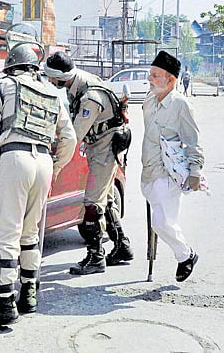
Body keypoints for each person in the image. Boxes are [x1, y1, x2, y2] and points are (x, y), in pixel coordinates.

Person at [0, 44, 77, 329]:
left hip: (14, 158)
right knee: (31, 232)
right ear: (35, 68)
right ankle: (29, 295)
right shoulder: (52, 92)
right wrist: (55, 167)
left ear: (10, 65)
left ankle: (4, 305)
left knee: (7, 234)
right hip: (43, 160)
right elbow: (68, 138)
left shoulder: (3, 85)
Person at [43, 51, 134, 275]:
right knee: (107, 199)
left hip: (105, 147)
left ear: (60, 77)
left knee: (93, 203)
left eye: (51, 77)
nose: (50, 81)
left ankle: (96, 257)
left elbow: (74, 135)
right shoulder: (78, 82)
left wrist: (54, 154)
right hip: (100, 144)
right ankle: (122, 246)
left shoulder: (89, 98)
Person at [141, 51, 204, 282]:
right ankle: (184, 254)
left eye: (156, 76)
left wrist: (195, 171)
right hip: (148, 171)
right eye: (150, 75)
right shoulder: (149, 100)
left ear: (171, 80)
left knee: (162, 222)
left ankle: (186, 255)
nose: (150, 80)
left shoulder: (181, 105)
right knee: (160, 222)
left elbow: (193, 140)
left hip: (169, 173)